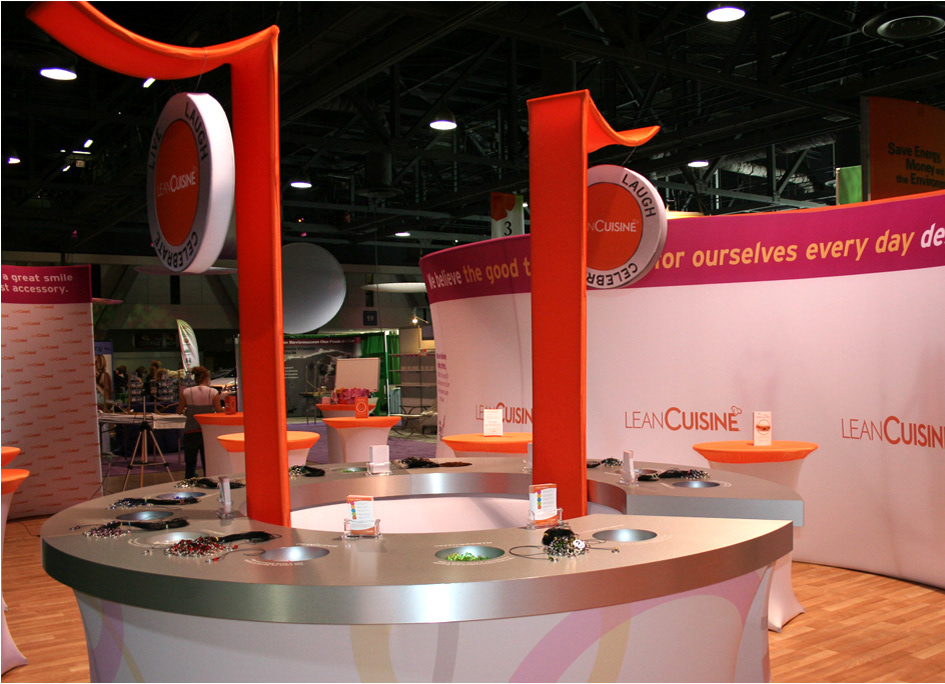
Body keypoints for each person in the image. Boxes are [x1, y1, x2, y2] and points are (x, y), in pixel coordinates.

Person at [178, 366, 224, 479]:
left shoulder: (186, 392)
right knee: (207, 462)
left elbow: (179, 410)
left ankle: (189, 481)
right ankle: (208, 481)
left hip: (190, 430)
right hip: (207, 431)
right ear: (207, 378)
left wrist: (187, 411)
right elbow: (219, 411)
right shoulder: (213, 392)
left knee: (190, 462)